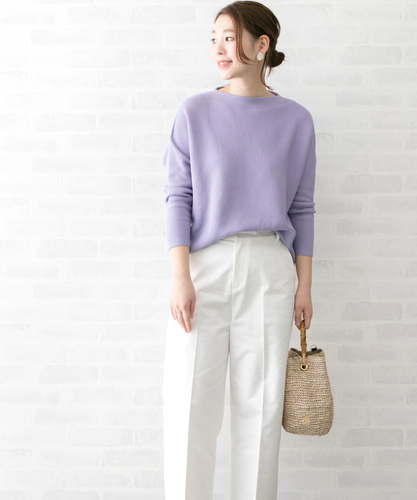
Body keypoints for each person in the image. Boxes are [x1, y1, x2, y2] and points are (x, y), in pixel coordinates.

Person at [161, 1, 317, 498]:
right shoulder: (194, 112)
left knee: (261, 408)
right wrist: (180, 276)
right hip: (203, 268)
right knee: (189, 404)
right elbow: (178, 196)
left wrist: (305, 287)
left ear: (261, 44)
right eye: (214, 39)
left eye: (229, 37)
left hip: (270, 268)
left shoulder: (296, 120)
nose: (218, 49)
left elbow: (303, 208)